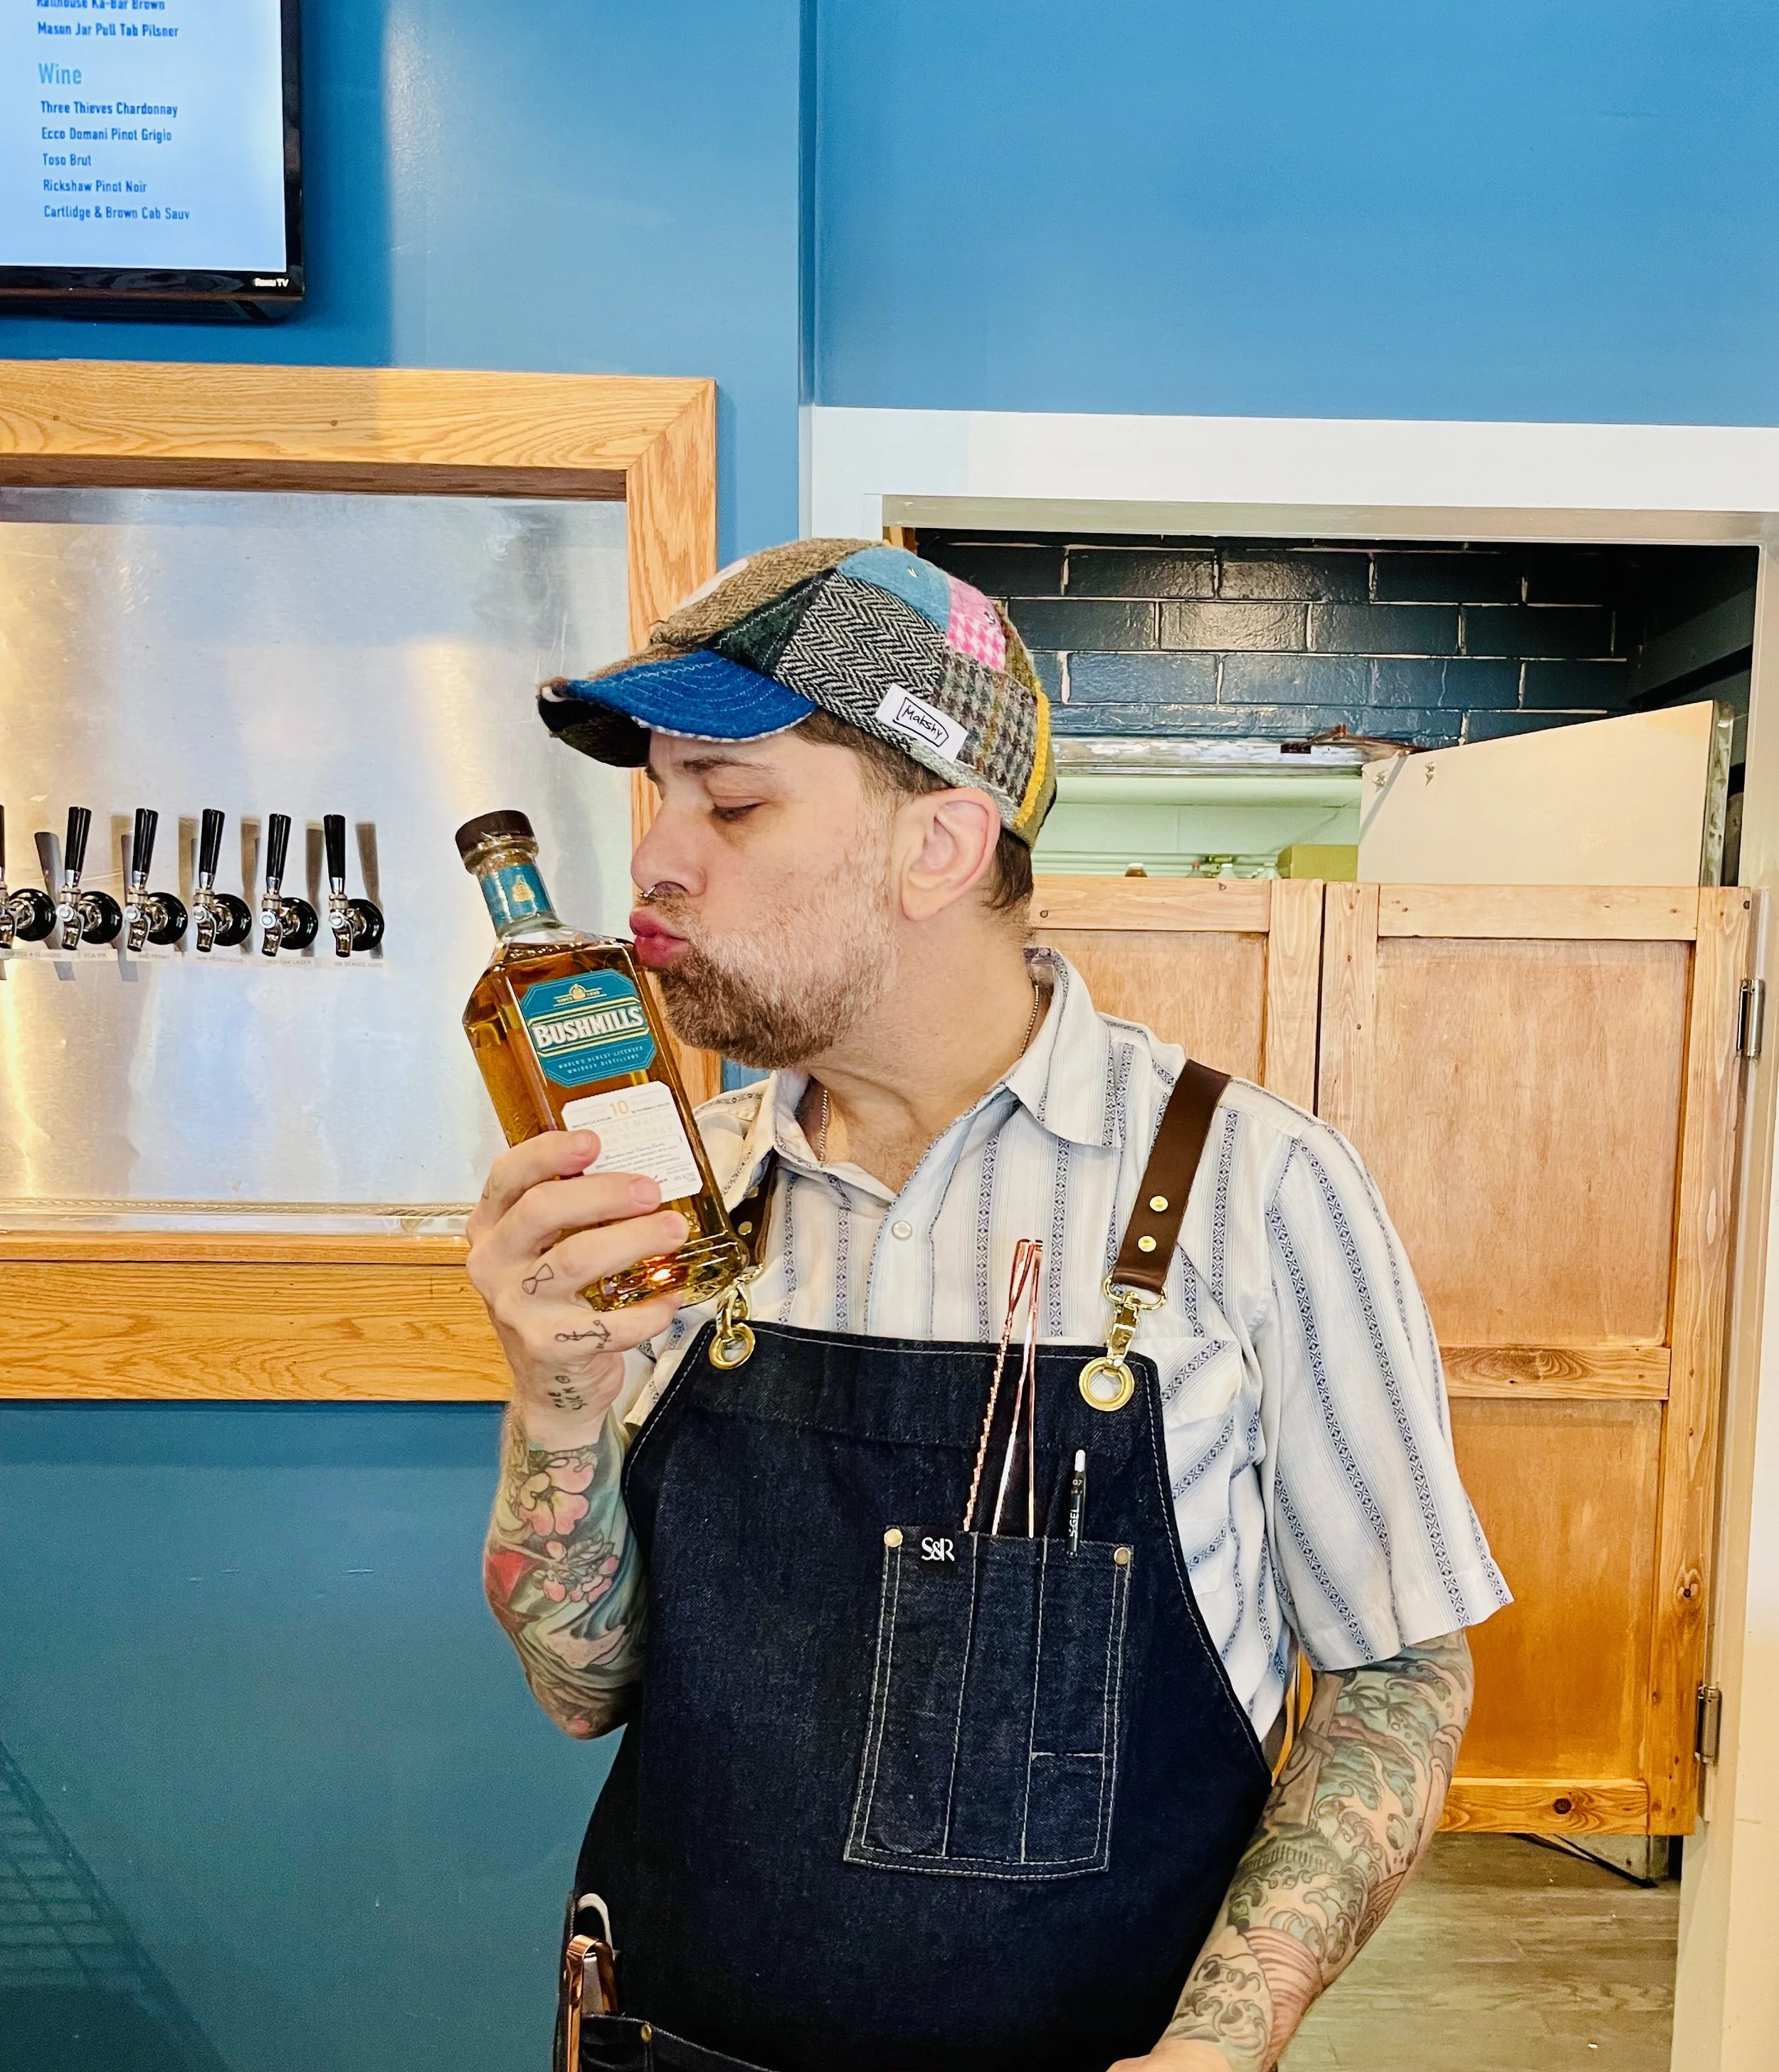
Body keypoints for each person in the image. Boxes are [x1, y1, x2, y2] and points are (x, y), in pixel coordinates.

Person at [466, 539, 1510, 2072]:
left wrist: (1226, 2040)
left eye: (729, 798)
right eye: (656, 797)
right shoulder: (675, 1202)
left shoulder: (1253, 1192)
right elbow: (584, 1688)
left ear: (941, 845)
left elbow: (1395, 1674)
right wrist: (548, 1394)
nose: (652, 861)